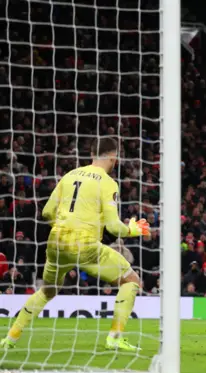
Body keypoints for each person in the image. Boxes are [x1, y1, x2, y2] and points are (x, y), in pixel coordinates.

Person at [1, 136, 149, 351]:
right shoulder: (107, 183)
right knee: (131, 280)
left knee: (47, 292)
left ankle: (10, 339)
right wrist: (133, 230)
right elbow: (114, 228)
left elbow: (46, 212)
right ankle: (115, 337)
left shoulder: (70, 175)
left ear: (91, 154)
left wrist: (63, 224)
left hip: (56, 242)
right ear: (113, 157)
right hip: (84, 244)